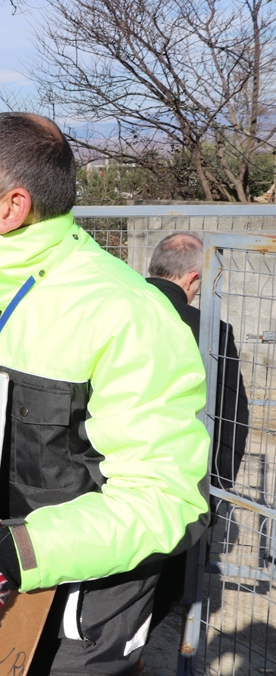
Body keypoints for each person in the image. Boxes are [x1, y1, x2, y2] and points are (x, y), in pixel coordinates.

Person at [0, 113, 210, 676]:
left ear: (12, 207)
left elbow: (166, 501)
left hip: (78, 624)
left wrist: (10, 555)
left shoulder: (128, 315)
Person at [146, 232, 250, 624]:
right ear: (193, 279)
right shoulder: (209, 331)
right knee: (170, 583)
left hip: (96, 473)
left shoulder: (105, 307)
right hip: (176, 483)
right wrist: (216, 489)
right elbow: (230, 418)